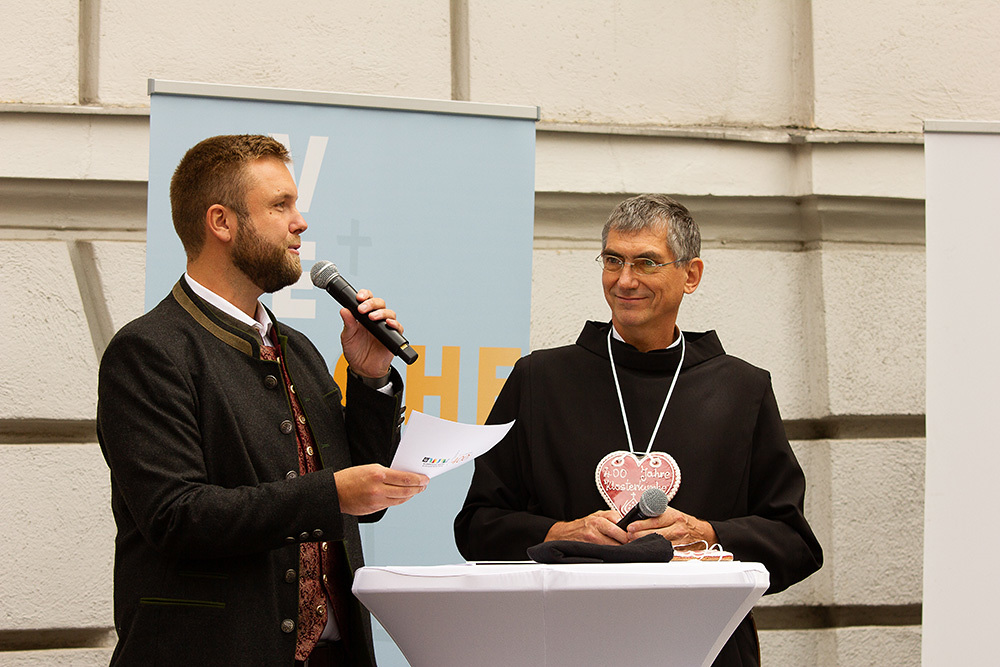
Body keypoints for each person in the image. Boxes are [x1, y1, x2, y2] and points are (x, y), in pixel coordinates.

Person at [97, 134, 429, 666]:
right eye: (281, 205)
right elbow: (177, 516)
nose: (300, 223)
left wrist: (370, 380)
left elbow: (357, 504)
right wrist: (331, 494)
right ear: (221, 222)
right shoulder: (149, 350)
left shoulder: (297, 348)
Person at [454, 194, 822, 666]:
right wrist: (560, 533)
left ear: (690, 275)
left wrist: (704, 533)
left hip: (704, 647)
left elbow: (795, 542)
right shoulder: (539, 380)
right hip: (568, 643)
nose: (624, 280)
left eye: (646, 262)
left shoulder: (742, 389)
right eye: (613, 260)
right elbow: (476, 527)